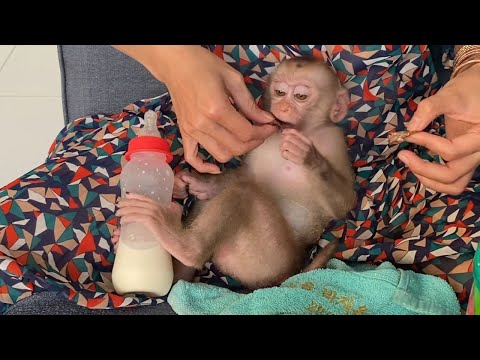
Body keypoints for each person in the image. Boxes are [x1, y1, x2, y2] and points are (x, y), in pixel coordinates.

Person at [2, 45, 480, 315]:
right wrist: (177, 64)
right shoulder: (276, 131)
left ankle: (186, 246)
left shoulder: (324, 143)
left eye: (301, 96)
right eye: (282, 93)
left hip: (413, 167)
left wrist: (475, 68)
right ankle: (186, 255)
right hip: (204, 130)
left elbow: (332, 201)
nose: (287, 105)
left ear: (337, 108)